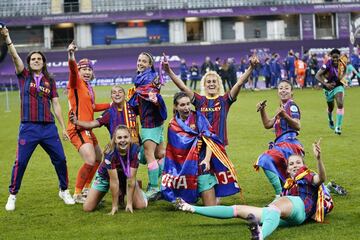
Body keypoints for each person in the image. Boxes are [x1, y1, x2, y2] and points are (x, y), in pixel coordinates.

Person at [175, 139, 333, 240]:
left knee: (274, 208)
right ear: (287, 170)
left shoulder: (306, 175)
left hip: (299, 207)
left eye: (298, 162)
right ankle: (191, 208)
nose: (295, 166)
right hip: (291, 216)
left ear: (303, 165)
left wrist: (319, 160)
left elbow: (321, 179)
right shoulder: (288, 184)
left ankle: (260, 235)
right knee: (238, 211)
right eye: (291, 164)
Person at [1, 27, 75, 211]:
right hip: (28, 127)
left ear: (43, 63)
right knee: (21, 162)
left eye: (39, 59)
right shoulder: (23, 76)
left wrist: (63, 127)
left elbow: (56, 105)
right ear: (29, 63)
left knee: (60, 159)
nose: (36, 61)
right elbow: (14, 57)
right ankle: (13, 195)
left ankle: (64, 190)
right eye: (33, 59)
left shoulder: (50, 80)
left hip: (49, 128)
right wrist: (7, 37)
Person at [163, 53, 259, 146]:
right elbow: (183, 87)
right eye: (208, 82)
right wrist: (168, 71)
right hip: (202, 145)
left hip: (219, 146)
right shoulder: (199, 100)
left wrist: (251, 68)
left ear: (218, 85)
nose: (211, 84)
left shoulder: (225, 100)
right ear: (204, 85)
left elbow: (239, 83)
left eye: (214, 81)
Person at [161, 92, 240, 205]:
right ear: (176, 107)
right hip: (185, 169)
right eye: (182, 105)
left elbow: (210, 139)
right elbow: (173, 152)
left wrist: (207, 160)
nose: (186, 107)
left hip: (202, 165)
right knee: (182, 204)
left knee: (210, 206)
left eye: (188, 104)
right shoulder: (173, 125)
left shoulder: (198, 118)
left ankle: (213, 192)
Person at [66, 41, 110, 203]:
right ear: (78, 70)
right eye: (83, 69)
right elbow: (71, 70)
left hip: (87, 128)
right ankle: (77, 194)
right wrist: (71, 55)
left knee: (99, 159)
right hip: (77, 128)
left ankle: (85, 190)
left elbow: (92, 107)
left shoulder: (88, 87)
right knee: (91, 160)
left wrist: (111, 105)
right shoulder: (76, 82)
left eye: (89, 69)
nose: (86, 72)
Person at [254, 80, 304, 198]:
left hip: (289, 145)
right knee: (292, 183)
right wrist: (262, 110)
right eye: (281, 88)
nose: (283, 90)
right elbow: (267, 124)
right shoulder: (281, 108)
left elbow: (297, 125)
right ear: (277, 92)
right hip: (281, 145)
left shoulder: (291, 105)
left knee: (264, 159)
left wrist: (285, 116)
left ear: (292, 92)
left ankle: (279, 195)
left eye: (286, 88)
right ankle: (285, 198)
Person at [127, 52, 167, 200]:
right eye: (139, 60)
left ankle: (154, 188)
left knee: (149, 155)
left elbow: (150, 94)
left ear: (150, 65)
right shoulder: (144, 78)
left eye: (144, 61)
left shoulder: (148, 78)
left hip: (149, 122)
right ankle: (163, 185)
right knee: (161, 154)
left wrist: (132, 97)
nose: (140, 63)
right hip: (157, 122)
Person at [83, 125, 147, 214]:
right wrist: (114, 207)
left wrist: (129, 204)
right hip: (106, 177)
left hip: (126, 176)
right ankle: (99, 197)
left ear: (130, 138)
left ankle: (138, 191)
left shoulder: (135, 150)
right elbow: (114, 181)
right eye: (119, 138)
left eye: (125, 137)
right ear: (115, 140)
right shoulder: (110, 153)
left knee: (140, 205)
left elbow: (131, 178)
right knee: (87, 208)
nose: (123, 140)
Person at [69, 85, 138, 143]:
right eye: (114, 93)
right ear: (111, 96)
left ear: (124, 95)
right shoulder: (109, 113)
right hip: (118, 148)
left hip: (135, 145)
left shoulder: (132, 107)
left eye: (120, 92)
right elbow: (92, 124)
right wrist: (76, 122)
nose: (117, 94)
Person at [315, 48, 347, 135]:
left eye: (337, 57)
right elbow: (317, 75)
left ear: (339, 57)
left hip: (338, 86)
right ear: (331, 57)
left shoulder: (342, 63)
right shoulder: (327, 64)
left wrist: (343, 78)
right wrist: (326, 84)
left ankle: (338, 127)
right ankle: (330, 119)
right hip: (328, 88)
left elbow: (345, 70)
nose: (335, 59)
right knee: (330, 108)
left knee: (340, 104)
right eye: (333, 57)